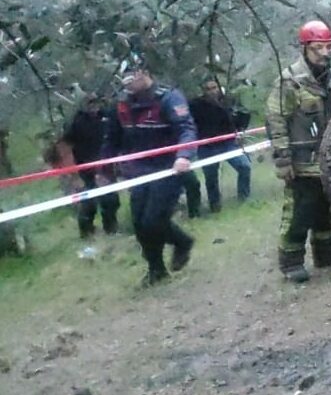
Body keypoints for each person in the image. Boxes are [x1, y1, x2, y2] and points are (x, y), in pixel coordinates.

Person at [265, 20, 331, 283]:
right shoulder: (289, 81)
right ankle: (291, 260)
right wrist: (283, 160)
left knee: (329, 207)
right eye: (318, 48)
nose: (325, 53)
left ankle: (326, 252)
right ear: (305, 49)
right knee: (300, 210)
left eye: (329, 47)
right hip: (302, 160)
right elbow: (276, 121)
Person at [97, 65, 198, 286]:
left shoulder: (169, 98)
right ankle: (156, 269)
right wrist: (104, 170)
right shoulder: (121, 105)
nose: (128, 85)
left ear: (145, 73)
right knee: (139, 223)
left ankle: (182, 242)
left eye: (131, 78)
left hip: (169, 168)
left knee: (154, 220)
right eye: (124, 81)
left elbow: (186, 129)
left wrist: (184, 155)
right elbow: (111, 139)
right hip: (138, 171)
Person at [189, 78, 252, 212]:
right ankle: (214, 205)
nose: (212, 91)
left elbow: (243, 116)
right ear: (203, 91)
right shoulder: (195, 105)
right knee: (211, 177)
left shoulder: (228, 101)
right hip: (207, 145)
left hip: (227, 143)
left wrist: (239, 130)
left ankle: (244, 197)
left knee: (244, 166)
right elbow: (189, 124)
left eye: (214, 88)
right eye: (208, 89)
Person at [60, 93, 118, 237]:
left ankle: (111, 230)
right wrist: (73, 174)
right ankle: (87, 233)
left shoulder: (108, 117)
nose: (93, 106)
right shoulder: (76, 122)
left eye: (95, 103)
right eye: (89, 103)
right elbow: (64, 147)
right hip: (85, 169)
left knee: (111, 200)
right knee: (88, 203)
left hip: (106, 167)